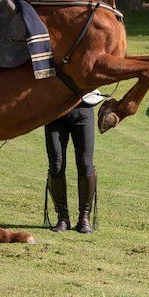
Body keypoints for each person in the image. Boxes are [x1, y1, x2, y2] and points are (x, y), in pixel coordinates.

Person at [44, 90, 105, 233]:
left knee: (85, 164)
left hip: (83, 107)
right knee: (56, 165)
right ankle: (62, 218)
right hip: (55, 109)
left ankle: (84, 218)